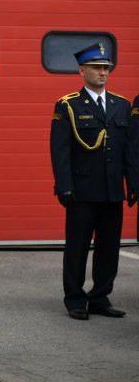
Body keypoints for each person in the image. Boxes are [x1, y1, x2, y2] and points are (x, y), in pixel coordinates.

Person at [50, 43, 129, 321]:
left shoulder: (122, 105)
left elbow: (129, 151)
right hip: (81, 191)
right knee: (77, 247)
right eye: (96, 67)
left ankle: (100, 297)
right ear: (82, 70)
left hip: (111, 191)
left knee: (109, 248)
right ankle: (75, 298)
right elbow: (60, 150)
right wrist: (64, 185)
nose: (102, 73)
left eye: (106, 68)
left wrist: (132, 184)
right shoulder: (68, 105)